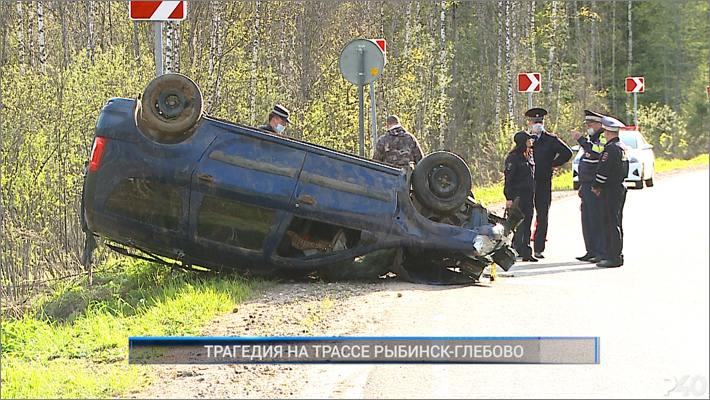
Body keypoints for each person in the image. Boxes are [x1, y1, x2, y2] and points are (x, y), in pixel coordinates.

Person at [526, 107, 573, 259]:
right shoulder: (525, 140)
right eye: (535, 121)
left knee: (543, 215)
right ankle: (522, 247)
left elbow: (567, 153)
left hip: (543, 181)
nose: (537, 124)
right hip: (526, 183)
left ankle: (538, 248)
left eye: (540, 121)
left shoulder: (551, 140)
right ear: (529, 123)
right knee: (525, 215)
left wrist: (553, 164)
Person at [591, 116, 629, 268]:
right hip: (619, 187)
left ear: (607, 132)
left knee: (610, 222)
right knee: (616, 221)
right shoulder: (622, 147)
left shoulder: (610, 149)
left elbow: (604, 171)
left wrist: (596, 185)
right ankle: (615, 254)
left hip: (610, 188)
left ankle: (613, 256)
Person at [570, 110, 607, 263]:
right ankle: (590, 250)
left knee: (595, 218)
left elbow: (596, 151)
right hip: (586, 184)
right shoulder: (592, 138)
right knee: (586, 219)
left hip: (594, 185)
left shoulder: (602, 138)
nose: (588, 128)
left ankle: (599, 250)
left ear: (599, 124)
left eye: (591, 125)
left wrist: (581, 139)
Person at [504, 130, 537, 262]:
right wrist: (509, 198)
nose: (531, 141)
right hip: (517, 195)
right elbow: (509, 179)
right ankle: (515, 250)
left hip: (529, 194)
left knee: (528, 221)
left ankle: (527, 251)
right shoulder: (513, 158)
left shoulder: (529, 155)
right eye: (529, 139)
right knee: (517, 224)